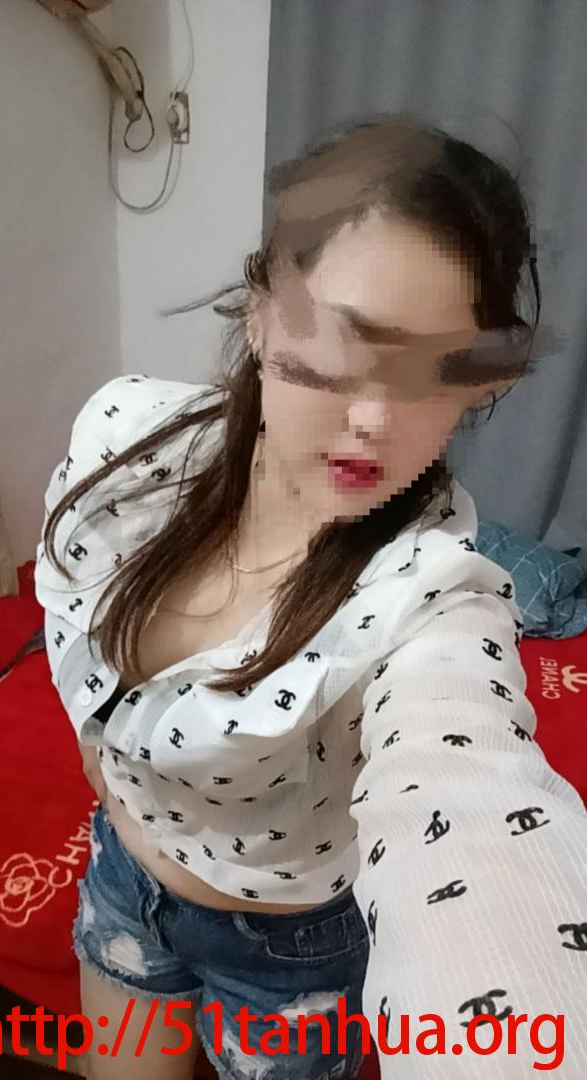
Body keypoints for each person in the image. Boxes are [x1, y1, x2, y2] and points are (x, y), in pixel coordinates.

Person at [35, 112, 586, 1080]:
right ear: (261, 313)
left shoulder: (435, 596)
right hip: (125, 878)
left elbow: (469, 798)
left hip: (287, 957)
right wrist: (106, 767)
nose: (373, 420)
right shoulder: (127, 444)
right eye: (349, 343)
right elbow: (76, 632)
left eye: (435, 373)